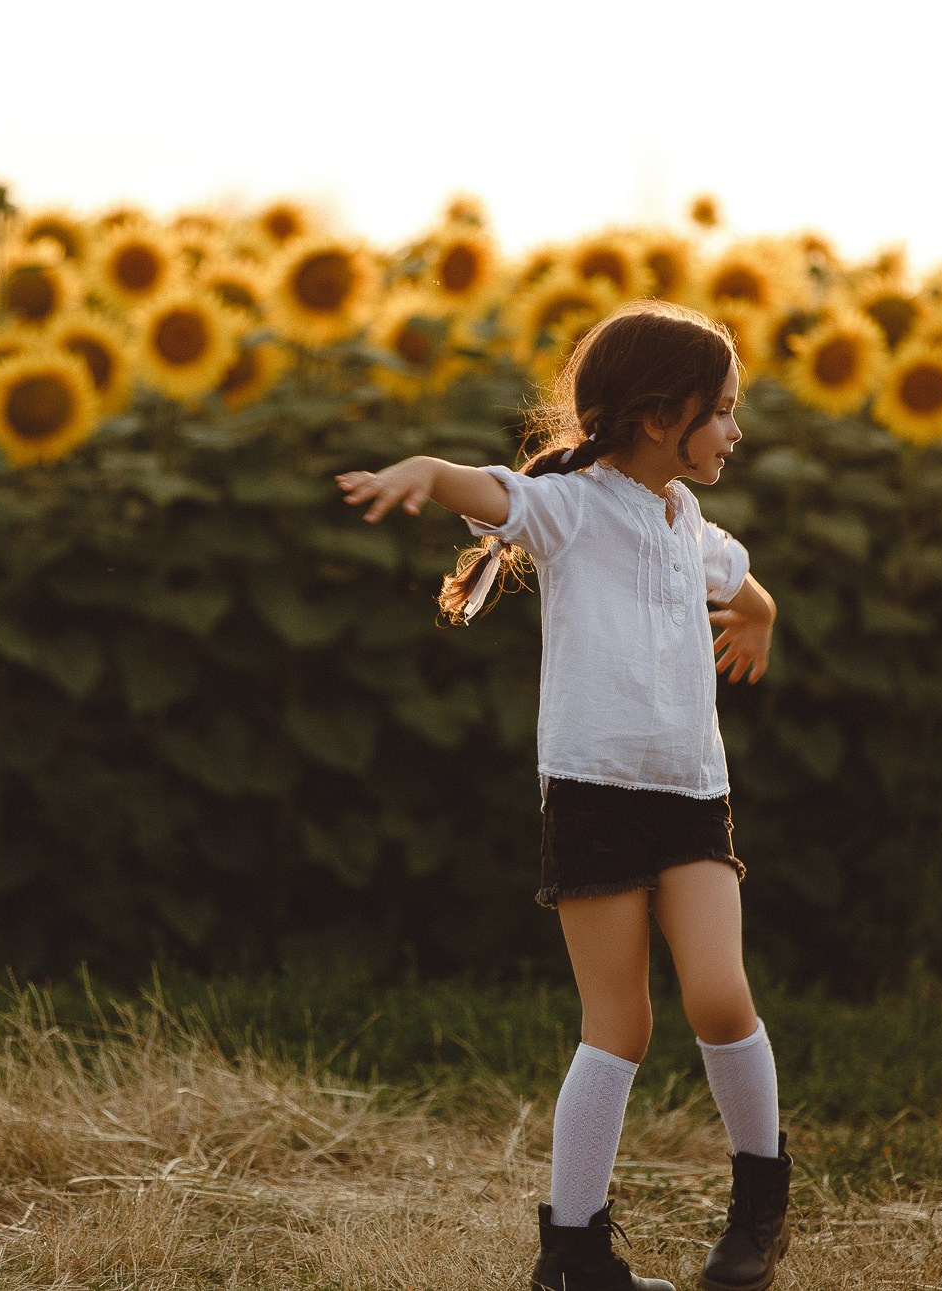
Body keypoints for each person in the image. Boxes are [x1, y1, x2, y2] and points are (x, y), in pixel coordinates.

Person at [335, 299, 791, 1291]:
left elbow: (739, 578)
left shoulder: (686, 520)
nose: (733, 430)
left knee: (718, 994)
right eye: (719, 410)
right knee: (615, 1024)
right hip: (589, 797)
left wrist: (754, 617)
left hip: (691, 796)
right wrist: (421, 471)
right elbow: (492, 491)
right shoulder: (574, 507)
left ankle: (759, 1209)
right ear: (660, 414)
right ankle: (573, 1254)